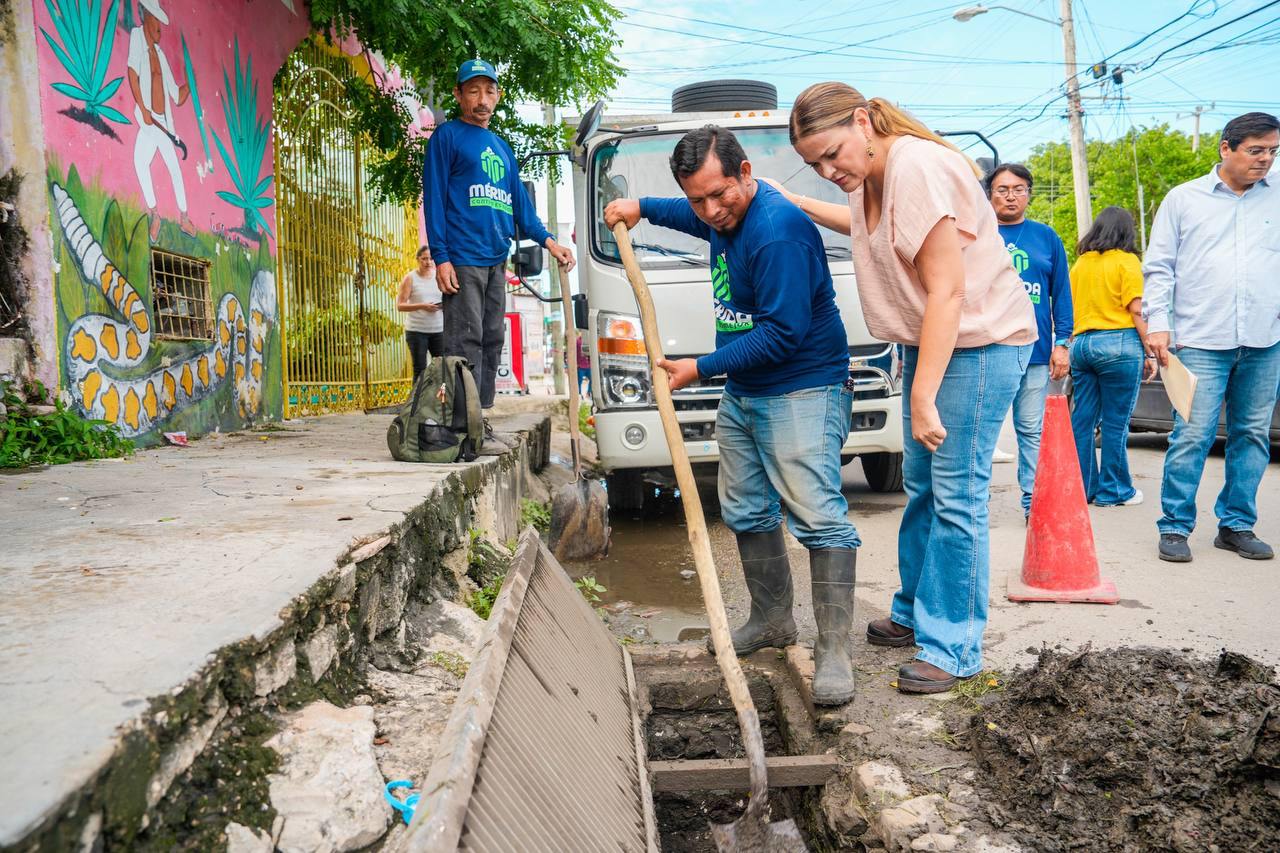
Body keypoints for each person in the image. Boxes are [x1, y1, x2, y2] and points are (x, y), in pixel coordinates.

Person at [778, 82, 1035, 694]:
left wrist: (921, 397)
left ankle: (953, 647)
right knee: (923, 485)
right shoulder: (875, 173)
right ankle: (916, 611)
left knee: (957, 496)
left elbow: (948, 291)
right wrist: (796, 200)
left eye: (832, 154)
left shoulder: (917, 167)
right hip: (935, 339)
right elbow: (869, 230)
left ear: (863, 122)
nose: (828, 170)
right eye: (814, 163)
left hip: (978, 343)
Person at [603, 125, 861, 706]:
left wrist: (700, 367)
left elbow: (783, 334)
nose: (711, 210)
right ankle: (772, 620)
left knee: (818, 514)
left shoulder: (778, 233)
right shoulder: (719, 213)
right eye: (699, 198)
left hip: (803, 387)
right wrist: (642, 206)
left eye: (721, 194)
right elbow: (693, 215)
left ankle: (835, 650)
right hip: (748, 391)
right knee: (745, 505)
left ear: (747, 174)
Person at [1143, 111, 1280, 563]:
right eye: (1256, 150)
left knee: (1252, 436)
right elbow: (1159, 267)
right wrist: (1158, 323)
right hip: (1201, 339)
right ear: (1226, 148)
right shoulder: (1185, 199)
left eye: (1273, 151)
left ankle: (1237, 525)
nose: (1265, 160)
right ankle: (1176, 526)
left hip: (1265, 338)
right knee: (1192, 435)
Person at [422, 59, 575, 432]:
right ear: (459, 95)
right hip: (462, 258)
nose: (482, 99)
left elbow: (521, 208)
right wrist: (441, 257)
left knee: (492, 338)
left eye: (489, 91)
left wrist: (551, 242)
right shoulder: (447, 137)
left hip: (495, 258)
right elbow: (434, 199)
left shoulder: (502, 148)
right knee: (464, 341)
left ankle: (480, 417)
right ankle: (461, 426)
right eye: (473, 90)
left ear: (498, 96)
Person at [987, 164, 1073, 519]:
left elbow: (1061, 294)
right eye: (1002, 189)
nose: (1010, 195)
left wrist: (1062, 342)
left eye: (1018, 189)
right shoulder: (976, 234)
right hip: (988, 349)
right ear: (989, 194)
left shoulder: (1046, 237)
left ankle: (1033, 506)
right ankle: (976, 506)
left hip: (1037, 353)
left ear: (1029, 193)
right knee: (982, 435)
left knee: (1031, 431)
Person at [1068, 207, 1158, 505]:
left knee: (1082, 422)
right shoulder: (1127, 261)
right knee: (1115, 423)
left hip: (1082, 346)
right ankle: (1114, 490)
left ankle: (1084, 488)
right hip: (1118, 343)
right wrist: (1151, 351)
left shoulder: (1081, 264)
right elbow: (1136, 310)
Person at [126, 0, 193, 241]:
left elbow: (176, 96)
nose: (160, 30)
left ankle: (183, 218)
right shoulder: (136, 36)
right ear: (147, 17)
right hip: (148, 120)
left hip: (163, 123)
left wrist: (192, 85)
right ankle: (157, 214)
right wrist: (143, 108)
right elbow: (132, 72)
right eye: (157, 23)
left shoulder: (161, 55)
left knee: (172, 167)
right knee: (141, 163)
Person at [397, 245, 444, 377]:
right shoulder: (410, 278)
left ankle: (440, 397)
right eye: (424, 259)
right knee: (420, 370)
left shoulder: (439, 275)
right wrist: (422, 306)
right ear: (418, 259)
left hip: (439, 330)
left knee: (441, 369)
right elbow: (400, 305)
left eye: (430, 259)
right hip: (417, 331)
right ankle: (417, 398)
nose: (428, 262)